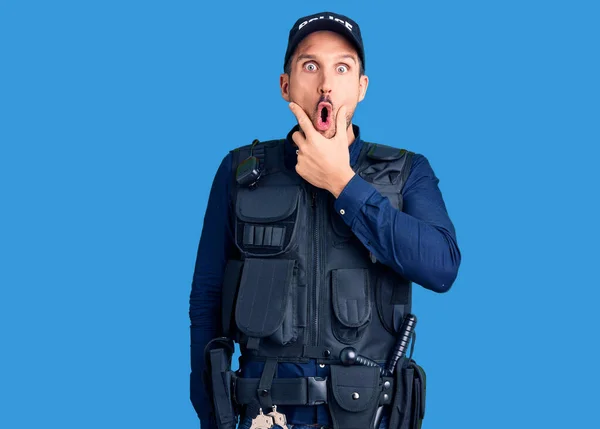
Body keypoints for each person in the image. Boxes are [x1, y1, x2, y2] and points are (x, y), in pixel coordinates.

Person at [189, 11, 461, 429]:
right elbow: (206, 298)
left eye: (342, 67)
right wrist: (214, 416)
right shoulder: (240, 172)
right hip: (266, 415)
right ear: (285, 85)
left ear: (362, 87)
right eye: (310, 65)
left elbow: (441, 266)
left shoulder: (407, 171)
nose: (326, 84)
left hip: (370, 415)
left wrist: (343, 184)